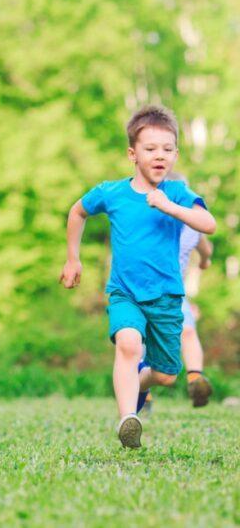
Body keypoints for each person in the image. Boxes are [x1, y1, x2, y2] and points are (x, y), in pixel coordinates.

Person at [59, 105, 216, 448]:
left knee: (165, 375)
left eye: (168, 149)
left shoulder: (177, 193)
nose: (160, 155)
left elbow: (209, 224)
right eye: (150, 148)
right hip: (125, 292)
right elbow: (78, 211)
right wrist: (74, 258)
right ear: (132, 153)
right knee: (129, 345)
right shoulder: (112, 193)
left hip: (166, 297)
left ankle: (141, 387)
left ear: (176, 153)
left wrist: (168, 206)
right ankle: (127, 419)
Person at [143, 171, 214, 413]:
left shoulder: (192, 226)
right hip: (147, 291)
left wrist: (205, 260)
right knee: (177, 334)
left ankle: (193, 380)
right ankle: (148, 392)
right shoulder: (153, 223)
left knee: (183, 331)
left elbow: (204, 246)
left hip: (171, 292)